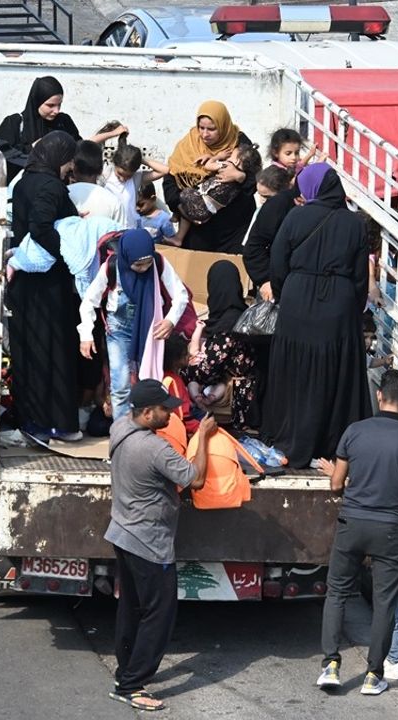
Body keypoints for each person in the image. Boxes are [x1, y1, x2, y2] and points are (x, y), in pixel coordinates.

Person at [317, 370, 398, 697]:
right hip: (393, 529)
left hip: (352, 523)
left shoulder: (355, 432)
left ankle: (330, 665)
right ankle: (373, 674)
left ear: (379, 395)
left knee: (337, 592)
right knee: (384, 602)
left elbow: (337, 483)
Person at [106, 380, 217, 712]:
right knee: (159, 614)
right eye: (165, 409)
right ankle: (132, 685)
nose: (172, 413)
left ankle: (125, 673)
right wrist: (203, 439)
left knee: (132, 608)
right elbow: (194, 478)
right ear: (146, 412)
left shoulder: (120, 428)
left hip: (122, 533)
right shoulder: (155, 450)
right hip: (149, 543)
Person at [264, 164, 372, 469]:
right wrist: (354, 307)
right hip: (338, 303)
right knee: (335, 371)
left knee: (296, 371)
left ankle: (294, 439)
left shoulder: (296, 216)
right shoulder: (354, 224)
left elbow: (277, 261)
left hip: (297, 299)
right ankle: (333, 443)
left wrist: (287, 293)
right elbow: (360, 275)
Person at [8, 131, 82, 442]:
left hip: (26, 282)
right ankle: (56, 423)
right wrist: (68, 254)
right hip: (49, 286)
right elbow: (41, 226)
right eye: (68, 161)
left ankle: (32, 421)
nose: (69, 167)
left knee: (30, 351)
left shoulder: (25, 181)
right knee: (55, 350)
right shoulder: (51, 186)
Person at [78, 229, 190, 420]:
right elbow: (89, 301)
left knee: (146, 383)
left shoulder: (159, 263)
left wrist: (170, 320)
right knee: (120, 385)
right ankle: (123, 434)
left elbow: (181, 295)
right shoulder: (111, 267)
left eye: (148, 263)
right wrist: (86, 335)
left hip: (150, 331)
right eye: (138, 264)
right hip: (118, 332)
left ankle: (144, 431)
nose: (144, 268)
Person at [162, 101, 257, 254]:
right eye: (201, 128)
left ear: (223, 125)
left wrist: (239, 176)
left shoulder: (239, 143)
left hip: (233, 229)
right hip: (198, 231)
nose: (205, 134)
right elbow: (171, 177)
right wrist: (183, 208)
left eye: (212, 129)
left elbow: (254, 180)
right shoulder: (189, 143)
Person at [0, 76, 125, 181]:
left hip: (58, 188)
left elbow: (79, 146)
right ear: (36, 101)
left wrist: (111, 134)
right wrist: (32, 148)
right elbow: (2, 155)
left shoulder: (63, 122)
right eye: (50, 105)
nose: (56, 111)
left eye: (59, 105)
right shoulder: (14, 123)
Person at [180, 261, 258, 431]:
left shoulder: (228, 326)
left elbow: (207, 370)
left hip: (240, 398)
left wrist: (184, 366)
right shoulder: (241, 314)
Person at [243, 165, 296, 302]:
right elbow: (253, 247)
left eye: (267, 197)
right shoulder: (267, 211)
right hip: (271, 285)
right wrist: (265, 279)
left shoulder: (286, 207)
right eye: (260, 196)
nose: (263, 201)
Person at [102, 134, 169, 228]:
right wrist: (114, 132)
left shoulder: (136, 178)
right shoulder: (106, 174)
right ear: (114, 164)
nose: (123, 179)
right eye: (120, 174)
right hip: (109, 229)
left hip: (129, 228)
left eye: (128, 176)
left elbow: (164, 170)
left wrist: (141, 160)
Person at [68, 140, 126, 228]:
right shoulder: (113, 201)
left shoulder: (62, 194)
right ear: (101, 170)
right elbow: (121, 236)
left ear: (74, 168)